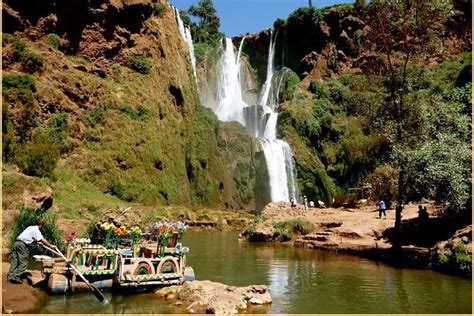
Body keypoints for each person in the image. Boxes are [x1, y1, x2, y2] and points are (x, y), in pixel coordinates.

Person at [7, 219, 56, 284]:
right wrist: (50, 245)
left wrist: (37, 241)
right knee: (24, 262)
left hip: (16, 243)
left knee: (15, 261)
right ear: (41, 225)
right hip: (22, 245)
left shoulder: (30, 227)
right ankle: (16, 277)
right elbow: (42, 239)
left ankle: (10, 276)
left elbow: (29, 237)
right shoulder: (36, 230)